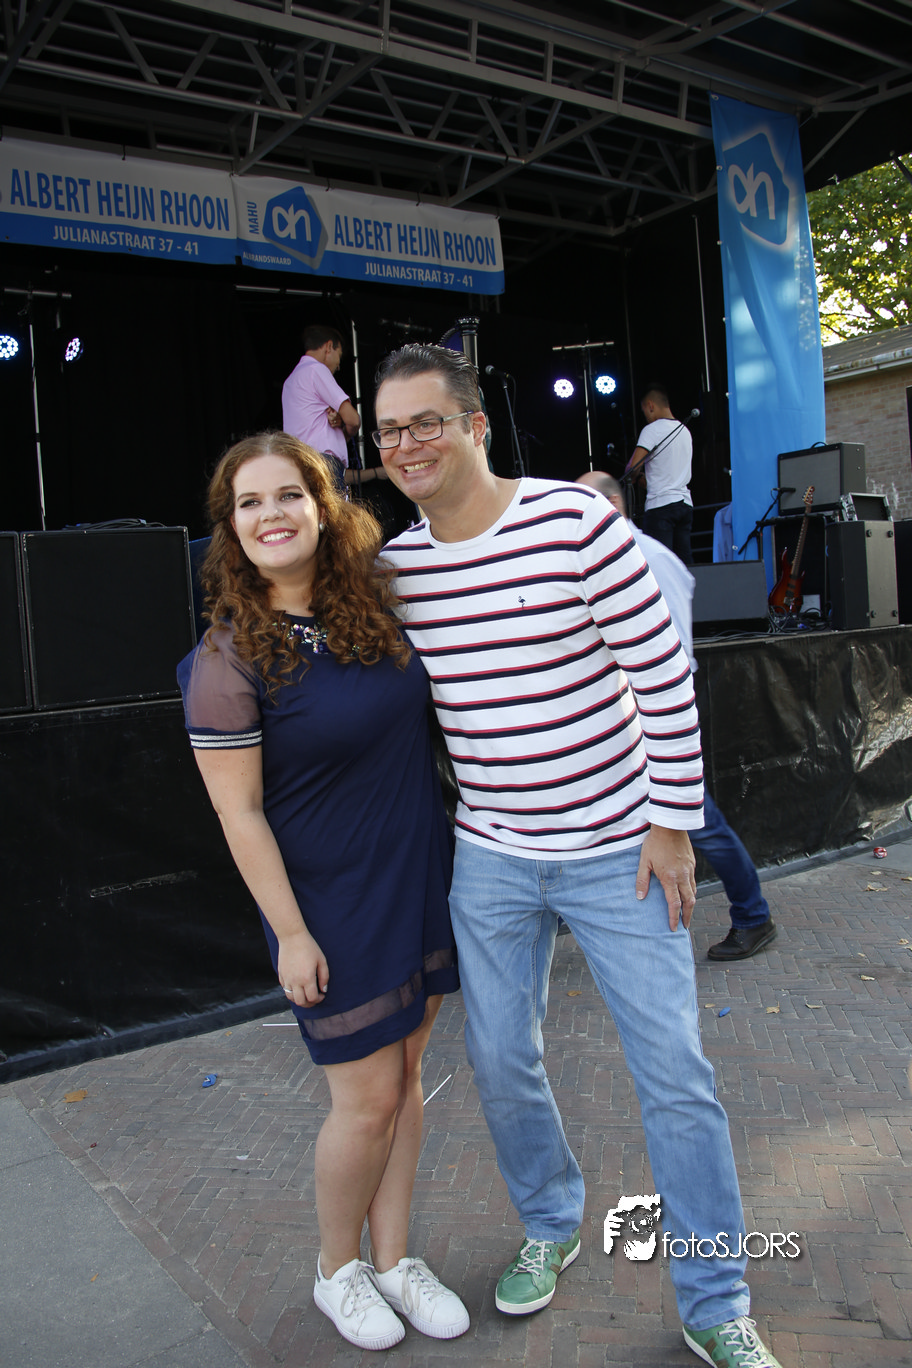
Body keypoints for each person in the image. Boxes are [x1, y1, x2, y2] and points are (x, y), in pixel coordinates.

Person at [371, 344, 785, 1368]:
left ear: (476, 427)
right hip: (491, 857)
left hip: (618, 853)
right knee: (499, 1061)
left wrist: (671, 824)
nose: (407, 444)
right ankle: (552, 1222)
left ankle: (715, 1300)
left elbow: (663, 675)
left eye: (427, 422)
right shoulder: (400, 572)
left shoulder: (573, 522)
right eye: (388, 431)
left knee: (675, 1077)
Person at [177, 432, 468, 1352]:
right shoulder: (227, 658)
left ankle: (394, 1259)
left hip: (417, 874)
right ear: (231, 527)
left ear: (322, 506)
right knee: (366, 1099)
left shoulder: (373, 609)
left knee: (407, 1077)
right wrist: (291, 933)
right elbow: (239, 816)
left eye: (288, 495)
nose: (271, 515)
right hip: (327, 907)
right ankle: (336, 1270)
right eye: (249, 502)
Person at [577, 470, 777, 962]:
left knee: (697, 820)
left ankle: (753, 915)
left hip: (650, 714)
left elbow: (667, 658)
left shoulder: (643, 559)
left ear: (610, 507)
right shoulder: (626, 556)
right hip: (637, 712)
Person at [281, 324, 389, 494]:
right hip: (322, 463)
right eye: (339, 356)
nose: (338, 366)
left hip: (297, 465)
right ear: (329, 347)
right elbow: (354, 420)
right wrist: (346, 432)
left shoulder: (290, 381)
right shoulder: (316, 370)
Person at [625, 381, 694, 564]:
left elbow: (633, 467)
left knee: (659, 563)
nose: (646, 417)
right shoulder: (684, 431)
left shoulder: (652, 430)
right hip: (684, 504)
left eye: (645, 412)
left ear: (650, 406)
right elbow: (666, 474)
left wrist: (634, 476)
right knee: (683, 563)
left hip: (660, 507)